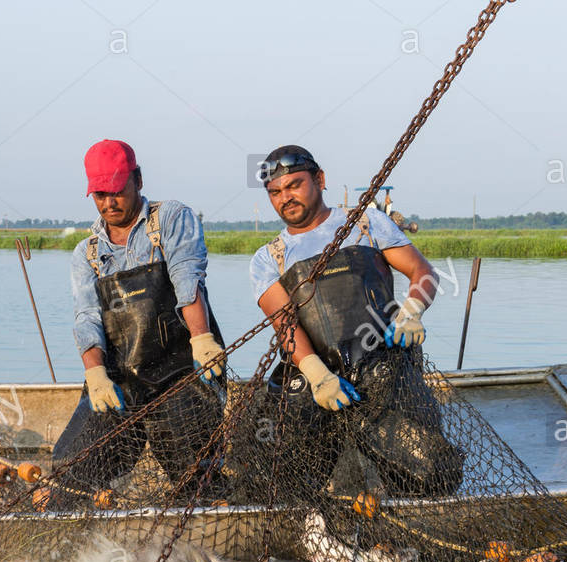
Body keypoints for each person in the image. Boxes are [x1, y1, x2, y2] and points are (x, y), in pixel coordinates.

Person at [249, 145, 462, 496]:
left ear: (319, 180)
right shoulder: (269, 257)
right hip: (318, 383)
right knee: (280, 477)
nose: (286, 197)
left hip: (384, 372)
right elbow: (285, 325)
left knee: (431, 473)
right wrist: (318, 376)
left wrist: (412, 311)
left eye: (295, 185)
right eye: (276, 192)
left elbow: (422, 271)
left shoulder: (365, 223)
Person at [52, 140, 228, 503]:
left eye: (117, 191)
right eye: (100, 194)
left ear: (138, 180)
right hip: (123, 382)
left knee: (193, 471)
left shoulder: (170, 219)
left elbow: (186, 280)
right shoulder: (87, 254)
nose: (109, 202)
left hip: (183, 375)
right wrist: (95, 375)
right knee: (69, 467)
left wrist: (201, 338)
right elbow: (87, 318)